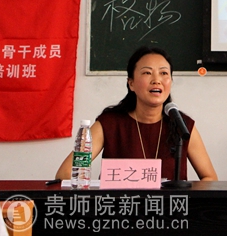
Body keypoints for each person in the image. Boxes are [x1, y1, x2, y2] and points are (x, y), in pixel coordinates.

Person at [55, 46, 217, 181]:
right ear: (131, 83)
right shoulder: (110, 124)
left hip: (169, 209)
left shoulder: (182, 125)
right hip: (122, 207)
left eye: (164, 73)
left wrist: (187, 195)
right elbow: (65, 173)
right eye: (147, 73)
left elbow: (210, 178)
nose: (156, 80)